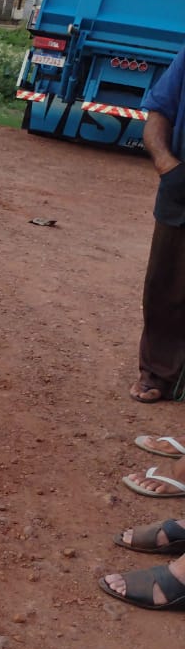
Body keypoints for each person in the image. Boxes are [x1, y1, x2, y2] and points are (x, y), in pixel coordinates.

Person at [129, 42, 185, 402]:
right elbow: (159, 112)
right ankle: (158, 372)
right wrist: (167, 165)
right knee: (166, 284)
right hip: (183, 187)